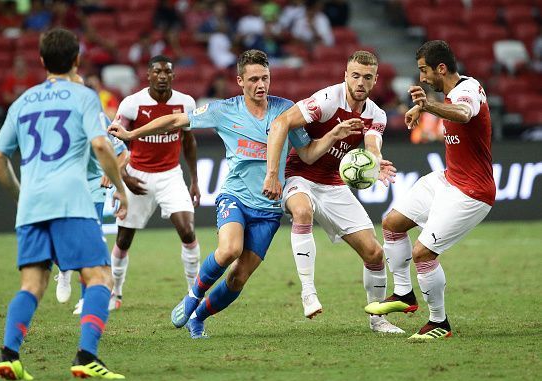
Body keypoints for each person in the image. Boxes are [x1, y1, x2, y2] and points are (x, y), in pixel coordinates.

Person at [108, 49, 363, 339]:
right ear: (240, 80)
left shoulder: (285, 110)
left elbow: (306, 154)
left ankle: (199, 317)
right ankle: (193, 296)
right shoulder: (224, 110)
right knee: (229, 249)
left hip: (269, 208)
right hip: (236, 196)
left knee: (239, 277)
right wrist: (131, 135)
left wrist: (331, 136)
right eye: (253, 79)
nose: (260, 85)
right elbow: (175, 121)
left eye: (265, 78)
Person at [0, 28, 128, 380]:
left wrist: (22, 197)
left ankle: (9, 355)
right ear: (77, 59)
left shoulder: (21, 102)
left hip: (33, 204)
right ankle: (85, 356)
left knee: (32, 284)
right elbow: (100, 145)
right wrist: (120, 187)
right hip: (71, 200)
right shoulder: (84, 96)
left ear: (41, 61)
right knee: (99, 278)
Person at [262, 50, 401, 333]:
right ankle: (308, 292)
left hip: (334, 185)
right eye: (356, 75)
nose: (360, 82)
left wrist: (375, 164)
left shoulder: (377, 115)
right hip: (300, 175)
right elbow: (282, 123)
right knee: (302, 211)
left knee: (374, 253)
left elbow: (373, 146)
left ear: (375, 81)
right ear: (345, 76)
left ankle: (378, 320)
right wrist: (273, 174)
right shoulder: (325, 100)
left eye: (367, 77)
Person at [364, 40, 495, 340]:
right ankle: (404, 294)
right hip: (448, 179)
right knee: (392, 223)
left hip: (472, 192)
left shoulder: (468, 90)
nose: (421, 77)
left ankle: (439, 323)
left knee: (422, 253)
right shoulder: (451, 93)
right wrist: (422, 109)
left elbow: (463, 113)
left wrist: (426, 105)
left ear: (441, 68)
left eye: (424, 71)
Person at [107, 55, 201, 310]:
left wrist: (193, 180)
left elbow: (189, 142)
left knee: (188, 231)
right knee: (123, 239)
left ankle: (194, 294)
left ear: (173, 75)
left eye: (167, 72)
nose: (162, 76)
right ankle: (115, 293)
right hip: (137, 174)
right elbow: (114, 141)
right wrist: (124, 177)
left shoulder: (185, 103)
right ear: (147, 75)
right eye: (157, 71)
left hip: (171, 175)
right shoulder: (132, 104)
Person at [54, 71, 129, 316]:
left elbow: (123, 152)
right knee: (56, 237)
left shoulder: (98, 118)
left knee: (89, 239)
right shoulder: (55, 116)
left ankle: (86, 297)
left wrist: (112, 171)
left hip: (94, 187)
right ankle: (64, 267)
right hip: (64, 185)